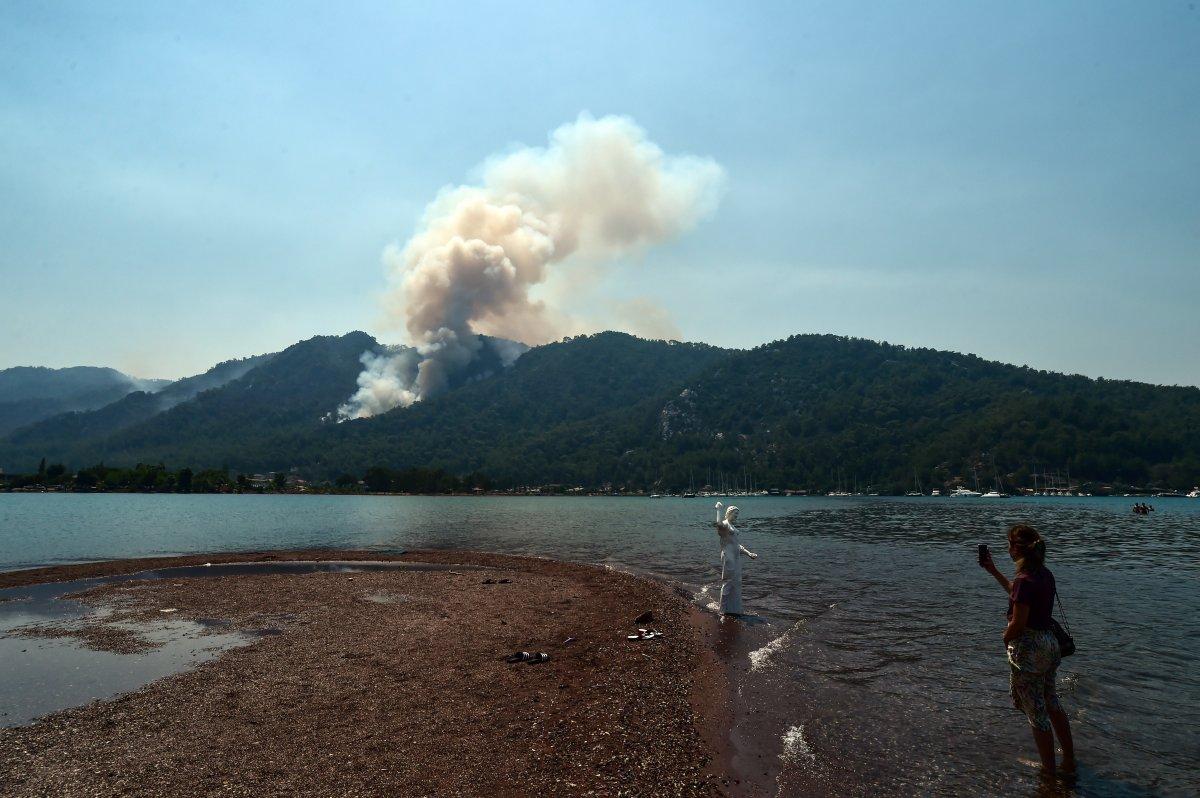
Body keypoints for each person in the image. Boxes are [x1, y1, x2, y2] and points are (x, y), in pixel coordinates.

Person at [979, 524, 1076, 779]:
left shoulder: (1024, 579)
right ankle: (1069, 759)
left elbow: (1019, 622)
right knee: (1051, 701)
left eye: (1009, 544)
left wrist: (1005, 637)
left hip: (1030, 648)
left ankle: (1049, 773)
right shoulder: (1044, 574)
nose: (1008, 549)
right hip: (1050, 644)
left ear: (1017, 549)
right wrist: (994, 571)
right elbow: (1019, 594)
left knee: (1036, 712)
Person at [713, 502, 757, 615]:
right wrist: (718, 509)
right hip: (728, 556)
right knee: (728, 582)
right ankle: (722, 609)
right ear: (729, 513)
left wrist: (748, 553)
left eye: (737, 514)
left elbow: (737, 545)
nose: (736, 516)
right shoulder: (725, 525)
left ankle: (733, 608)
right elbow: (718, 524)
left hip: (736, 557)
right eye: (734, 513)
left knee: (736, 582)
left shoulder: (732, 527)